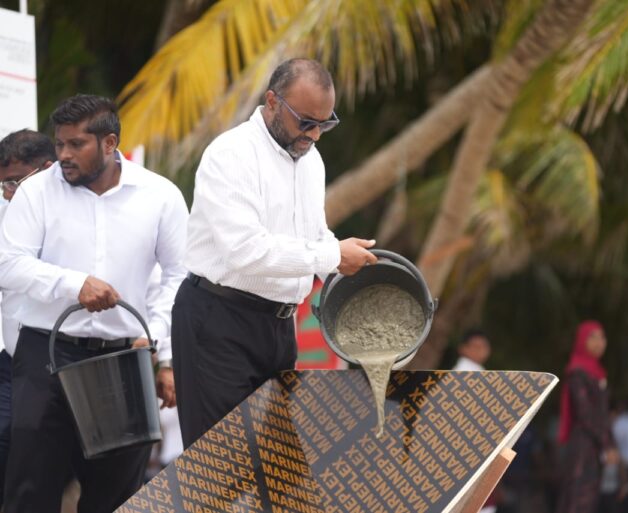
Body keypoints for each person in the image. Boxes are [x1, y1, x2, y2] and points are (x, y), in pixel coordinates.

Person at [173, 58, 377, 448]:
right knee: (220, 464)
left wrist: (350, 268)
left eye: (325, 124)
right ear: (272, 101)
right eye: (306, 122)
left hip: (280, 327)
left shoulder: (311, 161)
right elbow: (245, 251)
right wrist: (332, 256)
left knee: (275, 463)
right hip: (218, 321)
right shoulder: (231, 154)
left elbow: (314, 236)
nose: (314, 135)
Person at [0, 94, 188, 512]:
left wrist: (161, 348)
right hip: (45, 355)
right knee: (29, 493)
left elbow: (179, 277)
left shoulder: (160, 195)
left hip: (124, 361)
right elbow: (8, 264)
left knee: (116, 497)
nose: (63, 155)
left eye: (76, 144)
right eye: (60, 143)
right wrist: (74, 284)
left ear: (109, 143)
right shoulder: (35, 192)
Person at [0, 129, 56, 508]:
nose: (7, 194)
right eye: (2, 185)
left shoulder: (75, 215)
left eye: (13, 183)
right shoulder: (5, 215)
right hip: (13, 361)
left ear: (46, 170)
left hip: (73, 362)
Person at [556, 320, 619, 513]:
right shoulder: (577, 373)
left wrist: (609, 443)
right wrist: (606, 444)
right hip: (583, 446)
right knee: (577, 500)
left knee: (589, 500)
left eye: (602, 337)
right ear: (582, 340)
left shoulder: (597, 373)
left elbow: (603, 414)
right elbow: (585, 413)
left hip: (594, 446)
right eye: (593, 337)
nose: (599, 342)